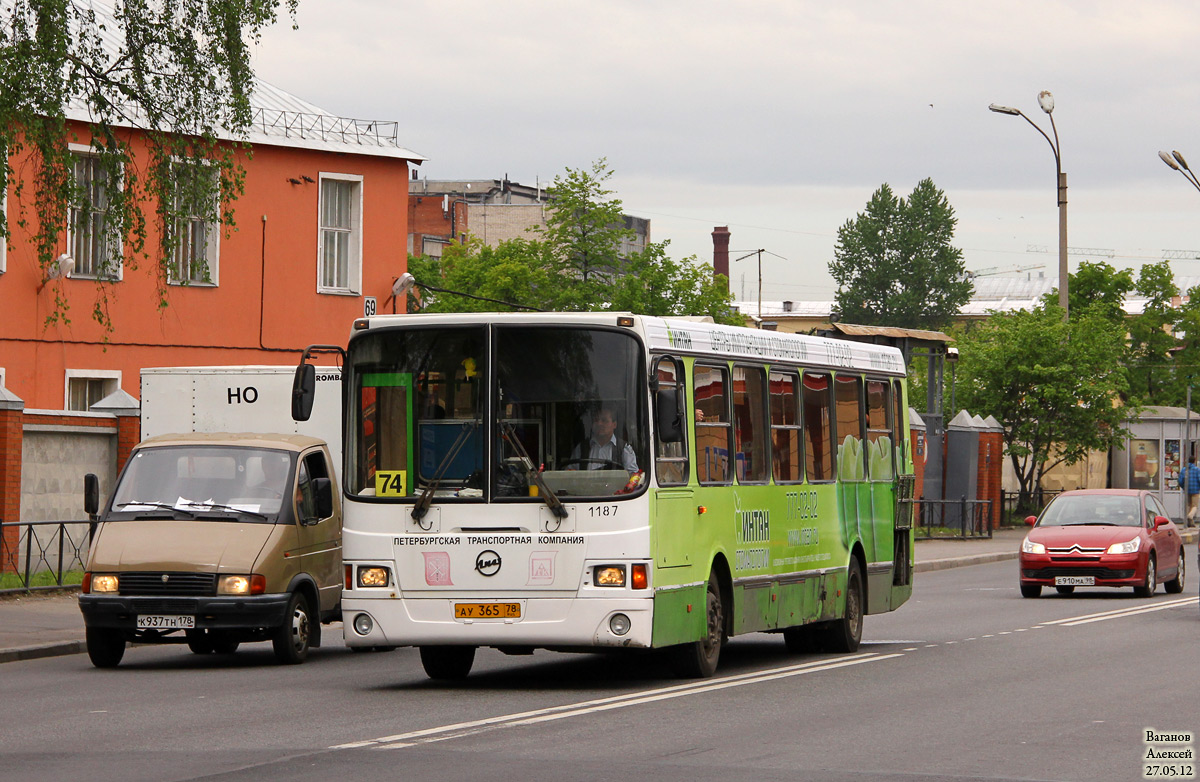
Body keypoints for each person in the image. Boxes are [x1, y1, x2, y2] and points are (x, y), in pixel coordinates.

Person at [568, 407, 638, 473]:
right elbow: (570, 473)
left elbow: (633, 475)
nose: (599, 423)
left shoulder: (623, 448)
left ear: (614, 424)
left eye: (604, 420)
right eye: (596, 420)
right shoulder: (581, 448)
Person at [1184, 455, 1200, 527]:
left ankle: (1190, 523)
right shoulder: (1197, 470)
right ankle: (1190, 516)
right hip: (1195, 490)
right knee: (1195, 506)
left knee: (1189, 506)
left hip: (1187, 490)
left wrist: (1183, 487)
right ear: (1194, 461)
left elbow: (1180, 480)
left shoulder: (1184, 469)